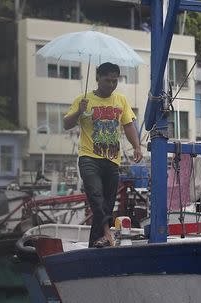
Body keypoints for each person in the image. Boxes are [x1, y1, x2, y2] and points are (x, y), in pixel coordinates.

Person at [63, 62, 142, 248]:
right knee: (96, 197)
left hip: (112, 160)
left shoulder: (120, 100)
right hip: (89, 158)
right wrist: (79, 112)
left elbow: (128, 125)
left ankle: (95, 243)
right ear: (98, 78)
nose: (111, 84)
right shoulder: (84, 100)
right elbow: (66, 124)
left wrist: (137, 147)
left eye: (115, 81)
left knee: (107, 203)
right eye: (107, 80)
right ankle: (107, 234)